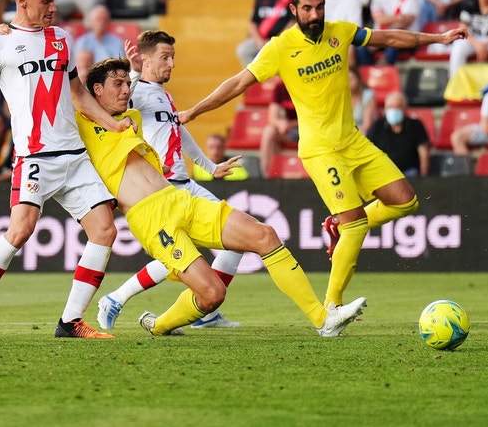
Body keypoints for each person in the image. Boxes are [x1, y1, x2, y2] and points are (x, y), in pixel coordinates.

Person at [178, 0, 466, 308]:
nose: (314, 14)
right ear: (294, 10)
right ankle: (332, 305)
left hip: (353, 141)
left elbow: (388, 37)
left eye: (319, 7)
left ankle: (335, 226)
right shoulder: (280, 47)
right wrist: (195, 111)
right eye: (307, 9)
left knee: (405, 202)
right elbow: (239, 83)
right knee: (355, 225)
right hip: (319, 149)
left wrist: (438, 38)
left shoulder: (339, 32)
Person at [82, 57, 367, 336]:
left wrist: (206, 165)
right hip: (151, 219)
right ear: (96, 91)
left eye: (126, 84)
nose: (125, 89)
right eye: (117, 84)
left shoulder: (130, 116)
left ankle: (323, 319)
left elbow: (173, 129)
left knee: (264, 235)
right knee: (212, 295)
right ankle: (158, 325)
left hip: (178, 196)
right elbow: (67, 99)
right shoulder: (80, 123)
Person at [0, 0, 133, 340]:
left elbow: (77, 94)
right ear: (22, 0)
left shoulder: (62, 38)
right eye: (46, 1)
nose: (53, 8)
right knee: (19, 232)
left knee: (105, 231)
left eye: (54, 0)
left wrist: (112, 125)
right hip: (34, 157)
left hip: (74, 156)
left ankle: (70, 321)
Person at [95, 31, 246, 329]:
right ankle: (116, 299)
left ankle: (206, 311)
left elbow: (181, 133)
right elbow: (119, 100)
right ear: (146, 58)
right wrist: (134, 71)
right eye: (165, 57)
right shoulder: (135, 91)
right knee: (181, 256)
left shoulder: (165, 95)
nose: (172, 64)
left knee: (233, 243)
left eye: (173, 57)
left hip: (185, 183)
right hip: (162, 188)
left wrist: (209, 165)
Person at [236, 0, 295, 67]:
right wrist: (258, 41)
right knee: (243, 50)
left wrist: (277, 41)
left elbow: (293, 22)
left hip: (283, 41)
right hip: (261, 41)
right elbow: (253, 22)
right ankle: (258, 81)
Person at [361, 0, 420, 65]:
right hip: (380, 37)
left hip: (404, 39)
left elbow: (405, 22)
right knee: (359, 47)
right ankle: (370, 74)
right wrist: (399, 18)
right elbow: (378, 19)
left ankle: (385, 70)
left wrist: (387, 19)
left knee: (394, 42)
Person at [366, 91, 430, 177]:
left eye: (398, 107)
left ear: (405, 108)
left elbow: (424, 154)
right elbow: (368, 151)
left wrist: (424, 180)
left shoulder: (416, 125)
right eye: (390, 107)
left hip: (409, 173)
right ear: (385, 108)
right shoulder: (377, 126)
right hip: (383, 174)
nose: (393, 110)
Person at [73, 5, 124, 81]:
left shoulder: (116, 41)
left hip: (109, 77)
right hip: (88, 77)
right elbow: (77, 66)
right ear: (91, 22)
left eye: (105, 20)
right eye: (99, 19)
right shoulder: (82, 41)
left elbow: (119, 65)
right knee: (82, 74)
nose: (102, 23)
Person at [260, 80, 299, 178]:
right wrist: (281, 123)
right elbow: (272, 117)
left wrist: (290, 124)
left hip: (307, 130)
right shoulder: (280, 87)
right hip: (291, 130)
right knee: (269, 132)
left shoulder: (305, 86)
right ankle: (268, 175)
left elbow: (312, 117)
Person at [349, 65, 376, 132]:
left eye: (351, 79)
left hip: (362, 134)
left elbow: (367, 125)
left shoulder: (367, 95)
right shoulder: (340, 98)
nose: (349, 82)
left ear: (358, 79)